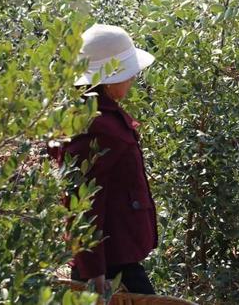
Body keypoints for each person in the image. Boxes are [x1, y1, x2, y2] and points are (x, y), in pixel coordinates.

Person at [53, 24, 158, 294]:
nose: (134, 76)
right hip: (108, 262)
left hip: (115, 256)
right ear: (108, 78)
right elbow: (82, 204)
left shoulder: (98, 116)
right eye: (128, 72)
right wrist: (94, 274)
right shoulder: (98, 126)